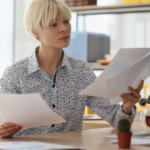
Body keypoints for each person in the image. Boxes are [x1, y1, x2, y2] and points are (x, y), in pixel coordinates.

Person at [0, 0, 143, 138]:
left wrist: (127, 107)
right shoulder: (14, 74)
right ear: (35, 31)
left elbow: (117, 120)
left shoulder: (81, 70)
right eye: (54, 24)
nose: (64, 28)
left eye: (66, 21)